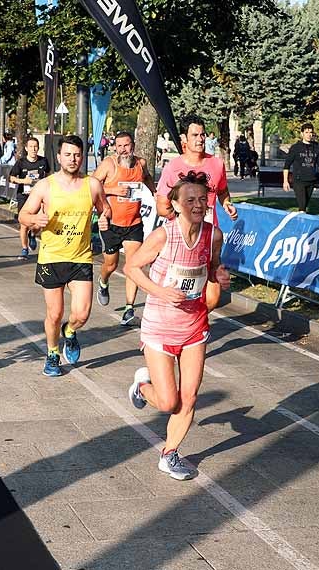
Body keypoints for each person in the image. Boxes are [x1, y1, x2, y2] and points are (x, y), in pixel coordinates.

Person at [125, 171, 229, 480]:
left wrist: (219, 277)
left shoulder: (214, 235)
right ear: (176, 203)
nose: (197, 205)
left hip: (195, 325)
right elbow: (131, 267)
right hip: (159, 326)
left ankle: (169, 454)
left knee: (190, 397)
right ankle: (143, 388)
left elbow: (212, 270)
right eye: (190, 200)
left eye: (202, 199)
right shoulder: (163, 235)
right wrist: (160, 291)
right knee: (169, 401)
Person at [18, 135, 110, 377]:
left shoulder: (92, 185)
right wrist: (34, 219)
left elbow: (105, 207)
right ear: (58, 157)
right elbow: (23, 215)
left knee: (81, 313)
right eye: (67, 154)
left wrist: (104, 217)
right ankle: (52, 354)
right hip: (51, 258)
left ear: (83, 156)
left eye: (77, 155)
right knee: (55, 313)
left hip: (81, 257)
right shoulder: (45, 186)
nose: (73, 159)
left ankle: (70, 331)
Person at [156, 116, 238, 312]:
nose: (200, 139)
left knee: (212, 298)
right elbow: (161, 205)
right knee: (180, 295)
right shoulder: (173, 167)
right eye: (195, 135)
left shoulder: (216, 164)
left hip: (208, 236)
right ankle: (180, 333)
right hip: (181, 238)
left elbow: (222, 191)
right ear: (184, 138)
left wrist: (227, 203)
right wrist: (179, 220)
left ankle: (192, 329)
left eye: (202, 134)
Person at [93, 131, 156, 326]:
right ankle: (103, 283)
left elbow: (147, 178)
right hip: (111, 223)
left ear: (133, 145)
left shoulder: (140, 164)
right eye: (119, 146)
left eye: (126, 145)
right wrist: (113, 190)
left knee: (132, 266)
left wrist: (155, 193)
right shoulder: (109, 164)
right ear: (114, 147)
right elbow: (92, 185)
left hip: (134, 223)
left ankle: (129, 308)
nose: (123, 150)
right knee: (110, 264)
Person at [10, 136, 51, 260]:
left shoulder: (43, 161)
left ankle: (33, 234)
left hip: (39, 197)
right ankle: (24, 248)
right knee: (24, 224)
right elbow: (11, 178)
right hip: (24, 196)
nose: (34, 149)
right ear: (27, 148)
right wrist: (24, 181)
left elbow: (49, 175)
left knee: (39, 223)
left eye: (36, 146)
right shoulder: (21, 162)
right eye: (31, 147)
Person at [282, 124, 319, 213]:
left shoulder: (316, 148)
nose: (309, 134)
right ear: (302, 134)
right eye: (306, 132)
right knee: (302, 205)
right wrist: (285, 181)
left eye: (311, 132)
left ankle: (301, 219)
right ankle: (302, 221)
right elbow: (286, 166)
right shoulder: (295, 148)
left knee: (305, 205)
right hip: (299, 180)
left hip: (311, 180)